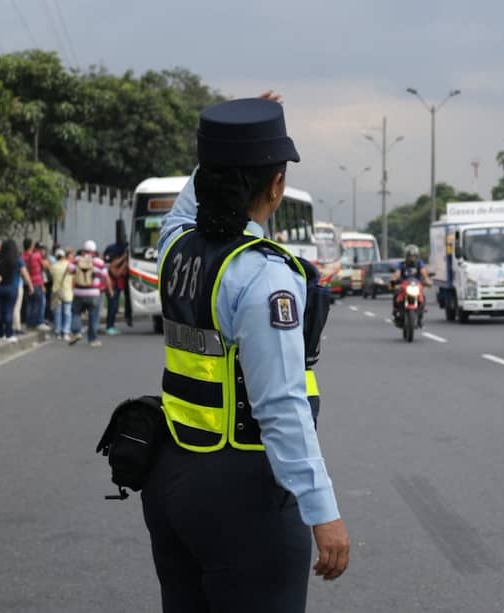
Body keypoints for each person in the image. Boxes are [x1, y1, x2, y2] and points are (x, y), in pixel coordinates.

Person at [142, 96, 349, 613]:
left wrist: (221, 148)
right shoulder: (264, 275)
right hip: (243, 495)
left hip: (170, 475)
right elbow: (280, 405)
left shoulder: (176, 247)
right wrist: (322, 510)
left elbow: (189, 206)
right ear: (276, 186)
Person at [67, 239, 112, 347]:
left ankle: (77, 332)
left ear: (84, 249)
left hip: (78, 292)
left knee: (76, 313)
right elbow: (106, 277)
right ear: (94, 250)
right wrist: (110, 290)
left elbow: (69, 270)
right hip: (94, 294)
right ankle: (92, 340)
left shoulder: (77, 260)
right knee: (93, 316)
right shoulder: (99, 262)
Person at [0, 239, 33, 343]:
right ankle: (9, 334)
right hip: (12, 288)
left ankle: (0, 334)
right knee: (9, 311)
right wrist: (30, 285)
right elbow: (24, 273)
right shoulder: (17, 260)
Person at [389, 244, 431, 322]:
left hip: (416, 284)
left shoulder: (419, 264)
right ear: (406, 256)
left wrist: (427, 280)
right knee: (396, 294)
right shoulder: (402, 264)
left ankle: (421, 311)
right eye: (410, 256)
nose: (412, 258)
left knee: (423, 296)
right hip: (404, 285)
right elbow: (396, 274)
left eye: (413, 256)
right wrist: (392, 283)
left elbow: (424, 273)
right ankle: (396, 310)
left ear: (417, 256)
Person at [21, 238, 49, 331]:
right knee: (39, 303)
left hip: (26, 282)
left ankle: (29, 322)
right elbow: (43, 267)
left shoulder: (22, 256)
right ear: (31, 246)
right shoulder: (36, 256)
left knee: (29, 303)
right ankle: (39, 322)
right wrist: (42, 285)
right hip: (36, 282)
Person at [103, 240, 128, 335]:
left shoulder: (118, 264)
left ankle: (111, 325)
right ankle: (109, 326)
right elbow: (117, 274)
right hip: (112, 288)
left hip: (118, 288)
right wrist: (124, 261)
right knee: (112, 307)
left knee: (114, 307)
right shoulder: (112, 266)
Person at [49, 249, 73, 340]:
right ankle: (66, 332)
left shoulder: (53, 266)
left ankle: (58, 332)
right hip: (67, 291)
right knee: (67, 313)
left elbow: (51, 276)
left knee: (57, 313)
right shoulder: (69, 266)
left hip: (56, 291)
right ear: (63, 256)